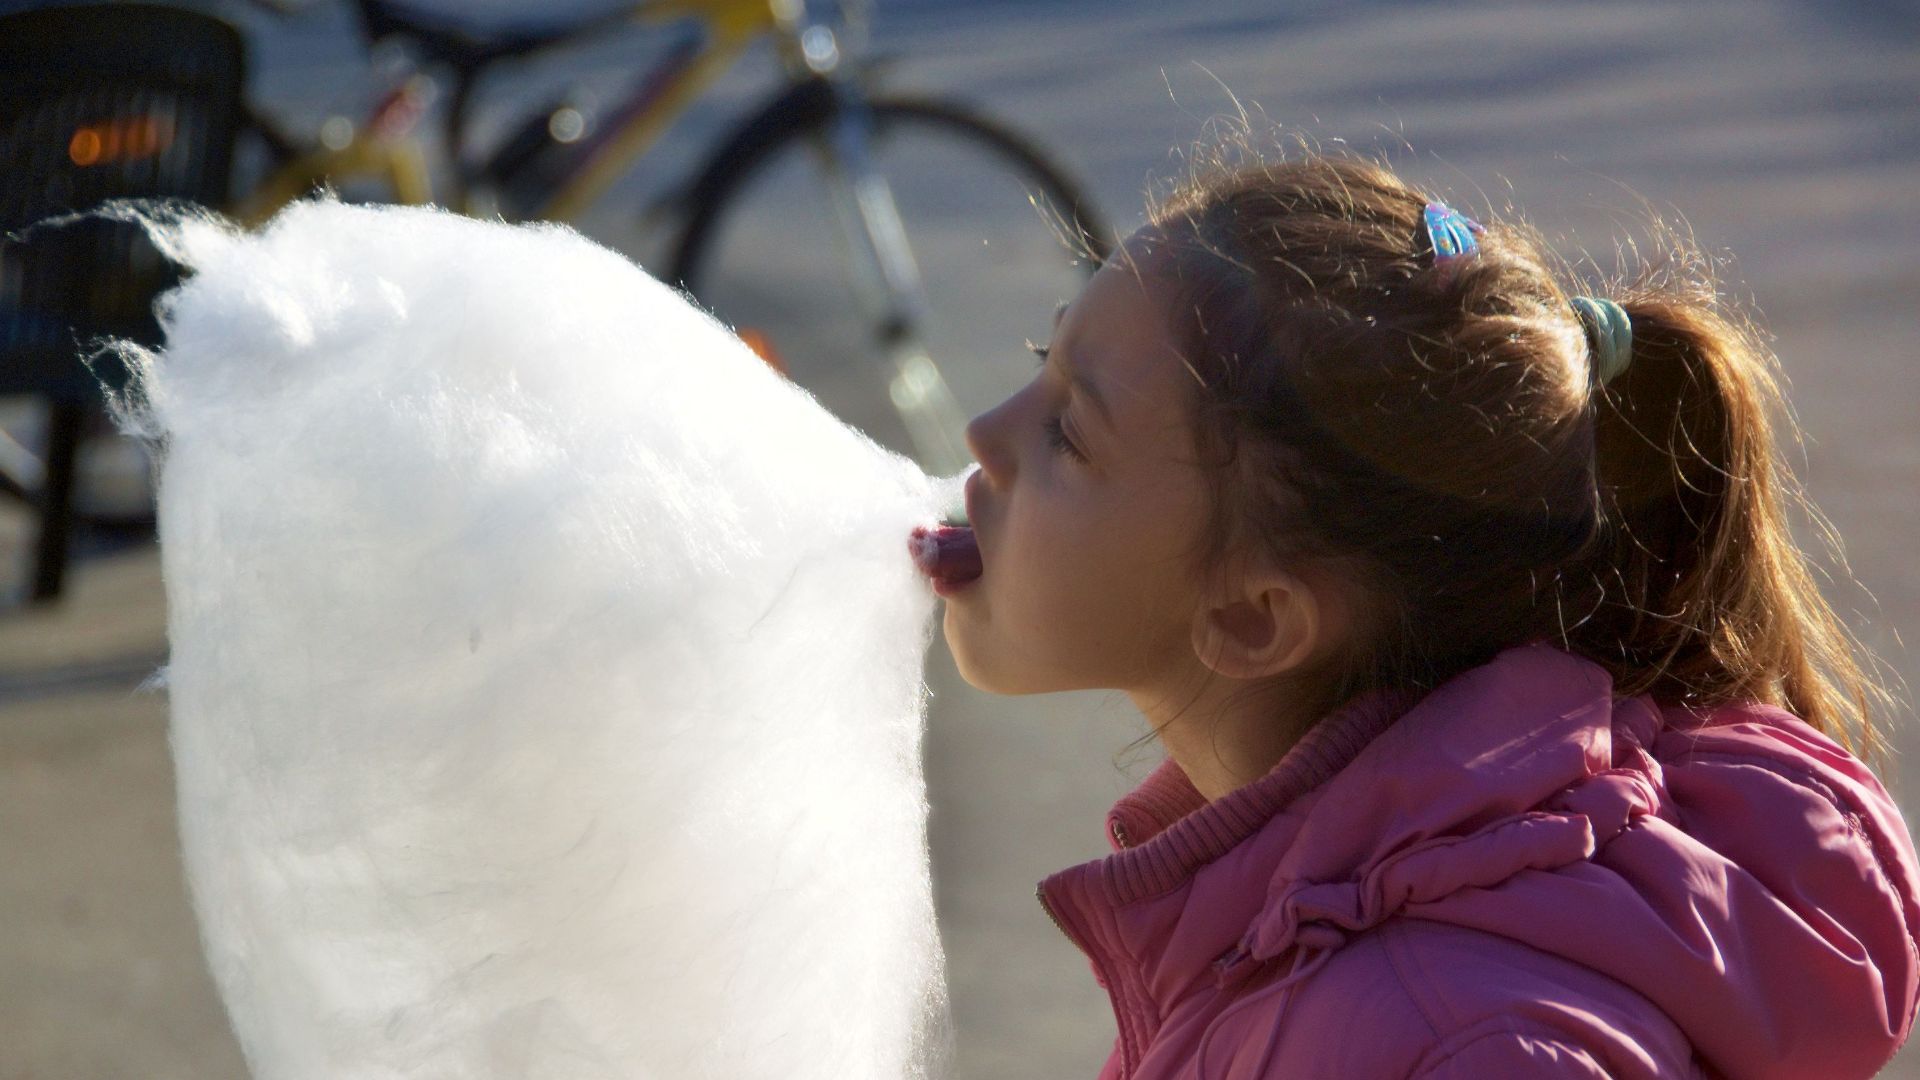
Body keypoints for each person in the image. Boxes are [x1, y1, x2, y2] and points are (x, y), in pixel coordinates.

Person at [917, 141, 1919, 1077]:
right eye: (1042, 357)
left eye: (1070, 433)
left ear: (1256, 616)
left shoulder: (1452, 1044)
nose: (984, 433)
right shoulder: (1281, 927)